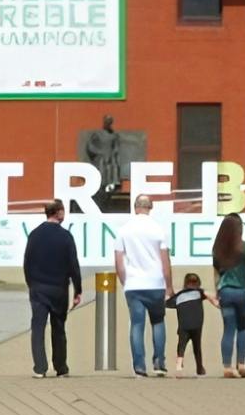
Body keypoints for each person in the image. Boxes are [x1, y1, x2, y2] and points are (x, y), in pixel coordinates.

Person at [115, 193, 174, 377]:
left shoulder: (124, 230)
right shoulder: (158, 229)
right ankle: (159, 362)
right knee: (158, 321)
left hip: (133, 283)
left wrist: (125, 281)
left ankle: (139, 366)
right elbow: (165, 261)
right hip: (155, 282)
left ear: (135, 207)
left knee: (137, 324)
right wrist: (169, 285)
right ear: (150, 207)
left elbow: (118, 262)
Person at [23, 201, 83, 378]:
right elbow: (73, 265)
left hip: (38, 288)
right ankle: (61, 367)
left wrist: (31, 284)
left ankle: (40, 368)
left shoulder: (34, 235)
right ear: (58, 213)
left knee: (38, 327)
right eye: (63, 210)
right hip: (59, 289)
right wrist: (78, 289)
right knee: (58, 327)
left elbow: (27, 263)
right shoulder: (65, 236)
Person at [212, 215, 245, 377]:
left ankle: (227, 367)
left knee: (228, 329)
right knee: (242, 328)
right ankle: (241, 364)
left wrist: (217, 293)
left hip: (225, 292)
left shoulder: (218, 249)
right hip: (243, 293)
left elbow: (216, 275)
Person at [169, 273, 209, 376]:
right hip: (197, 325)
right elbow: (210, 296)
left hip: (183, 326)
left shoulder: (179, 296)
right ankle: (199, 368)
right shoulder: (199, 293)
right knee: (197, 347)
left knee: (181, 346)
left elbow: (168, 303)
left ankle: (178, 367)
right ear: (198, 284)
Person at [82, 114, 126, 207]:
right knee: (101, 180)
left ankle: (108, 198)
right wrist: (99, 153)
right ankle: (100, 197)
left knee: (110, 180)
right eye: (107, 121)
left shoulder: (114, 135)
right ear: (104, 122)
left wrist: (112, 155)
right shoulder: (97, 134)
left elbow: (116, 148)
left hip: (110, 162)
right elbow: (90, 146)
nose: (108, 123)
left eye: (110, 121)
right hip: (100, 161)